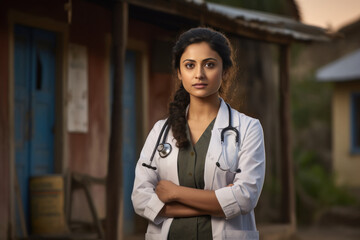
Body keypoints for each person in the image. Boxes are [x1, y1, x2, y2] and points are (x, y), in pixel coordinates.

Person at [131, 27, 265, 240]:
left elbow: (245, 197)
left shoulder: (248, 128)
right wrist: (217, 203)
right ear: (179, 72)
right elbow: (139, 197)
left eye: (209, 65)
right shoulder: (160, 131)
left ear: (226, 71)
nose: (199, 74)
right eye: (190, 65)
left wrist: (175, 194)